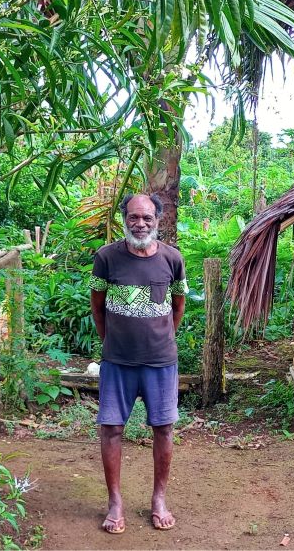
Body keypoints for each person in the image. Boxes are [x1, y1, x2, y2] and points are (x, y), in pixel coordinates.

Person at [89, 193, 187, 534]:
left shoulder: (173, 259)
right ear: (124, 219)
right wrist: (113, 343)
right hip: (117, 361)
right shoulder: (106, 258)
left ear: (158, 220)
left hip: (160, 361)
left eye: (147, 217)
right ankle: (115, 501)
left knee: (163, 428)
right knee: (112, 428)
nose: (140, 223)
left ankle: (159, 499)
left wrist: (159, 340)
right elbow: (97, 307)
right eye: (134, 217)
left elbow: (177, 306)